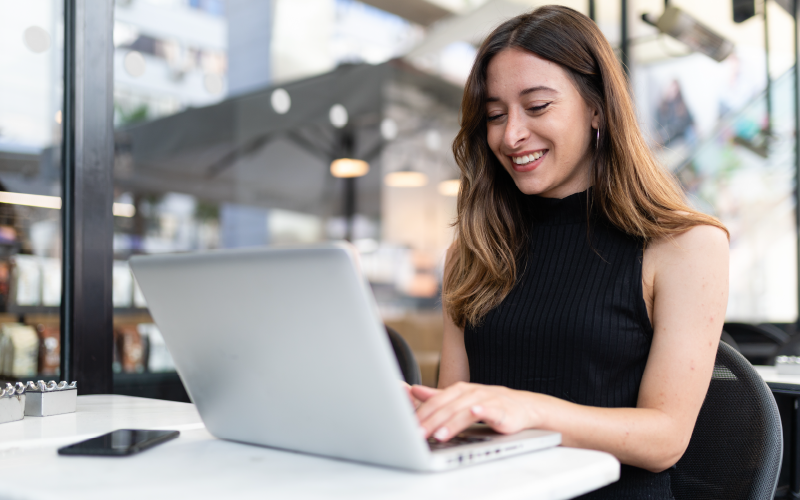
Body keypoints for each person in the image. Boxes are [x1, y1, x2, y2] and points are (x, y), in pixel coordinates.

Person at [407, 6, 729, 499]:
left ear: (597, 108)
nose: (510, 135)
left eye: (536, 107)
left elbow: (665, 438)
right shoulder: (471, 253)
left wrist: (528, 410)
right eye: (494, 115)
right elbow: (460, 413)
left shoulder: (686, 246)